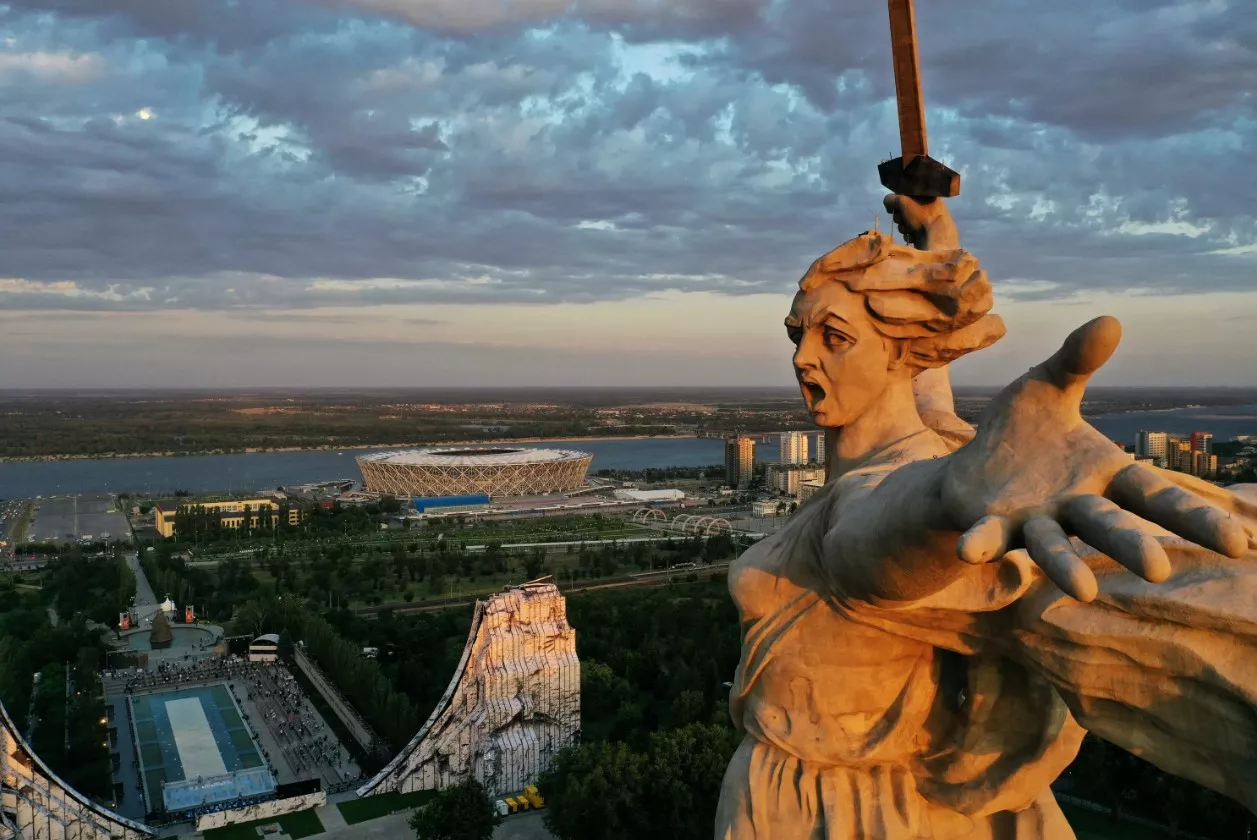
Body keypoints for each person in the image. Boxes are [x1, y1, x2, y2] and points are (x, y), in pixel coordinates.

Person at [715, 195, 1257, 840]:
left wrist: (947, 496)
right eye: (797, 333)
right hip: (871, 798)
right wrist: (937, 240)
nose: (803, 357)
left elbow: (872, 543)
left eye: (834, 338)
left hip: (832, 811)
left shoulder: (886, 491)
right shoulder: (938, 433)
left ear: (898, 355)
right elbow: (930, 389)